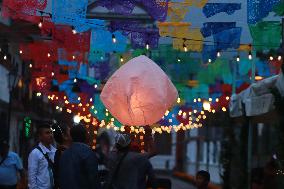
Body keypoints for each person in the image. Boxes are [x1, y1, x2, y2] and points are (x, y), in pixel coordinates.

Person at [59, 124, 100, 189]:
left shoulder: (64, 154)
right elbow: (93, 179)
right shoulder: (87, 153)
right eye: (87, 133)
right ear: (85, 135)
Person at [28, 123, 57, 189]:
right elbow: (31, 177)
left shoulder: (55, 151)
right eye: (47, 133)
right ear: (40, 136)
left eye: (51, 132)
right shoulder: (35, 153)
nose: (51, 135)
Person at [52, 121, 71, 189]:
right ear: (65, 136)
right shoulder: (64, 153)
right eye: (69, 131)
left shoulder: (60, 151)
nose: (72, 133)